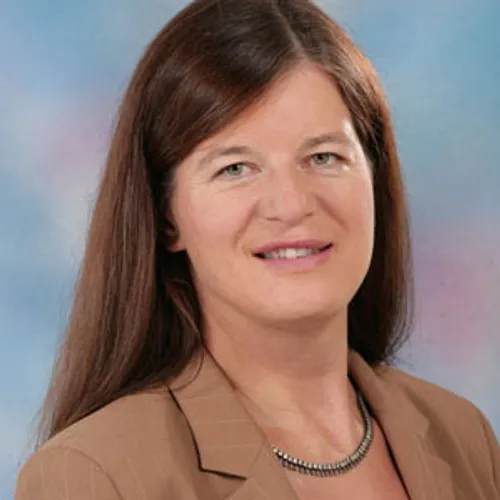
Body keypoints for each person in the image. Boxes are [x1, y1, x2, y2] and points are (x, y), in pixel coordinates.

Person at [15, 0, 499, 499]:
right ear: (167, 218)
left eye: (323, 157)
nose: (291, 204)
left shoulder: (464, 438)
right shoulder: (95, 474)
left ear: (374, 179)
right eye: (235, 168)